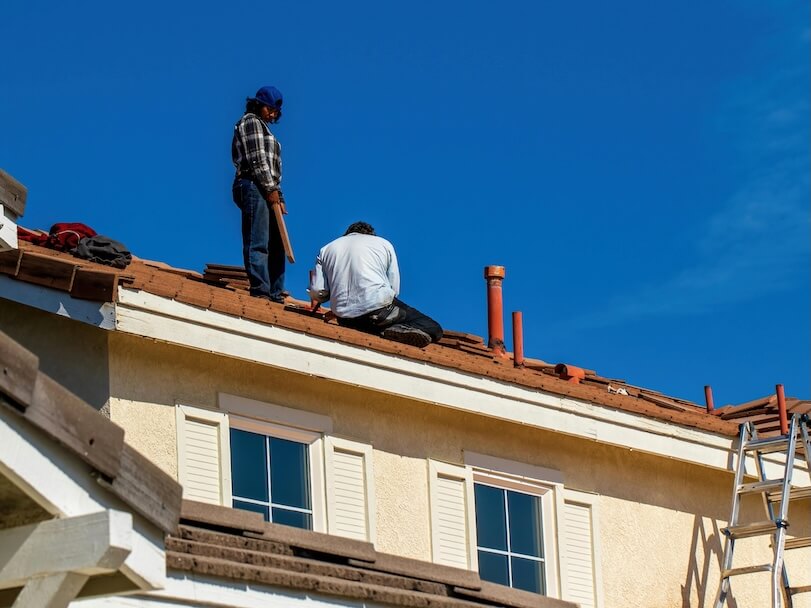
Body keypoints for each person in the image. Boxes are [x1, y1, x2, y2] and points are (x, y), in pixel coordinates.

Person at [309, 222, 443, 348]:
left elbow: (317, 291)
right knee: (432, 328)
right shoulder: (383, 244)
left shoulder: (326, 249)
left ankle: (387, 329)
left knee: (368, 324)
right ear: (371, 235)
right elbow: (394, 288)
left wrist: (337, 306)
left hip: (345, 319)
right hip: (378, 311)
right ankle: (393, 329)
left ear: (347, 234)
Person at [232, 85, 287, 302]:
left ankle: (276, 291)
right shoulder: (251, 122)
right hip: (254, 184)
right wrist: (271, 189)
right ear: (258, 105)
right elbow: (257, 160)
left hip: (267, 188)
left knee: (278, 243)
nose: (272, 114)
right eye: (269, 109)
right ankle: (261, 289)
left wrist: (278, 196)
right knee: (259, 239)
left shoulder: (266, 129)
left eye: (275, 112)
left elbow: (274, 169)